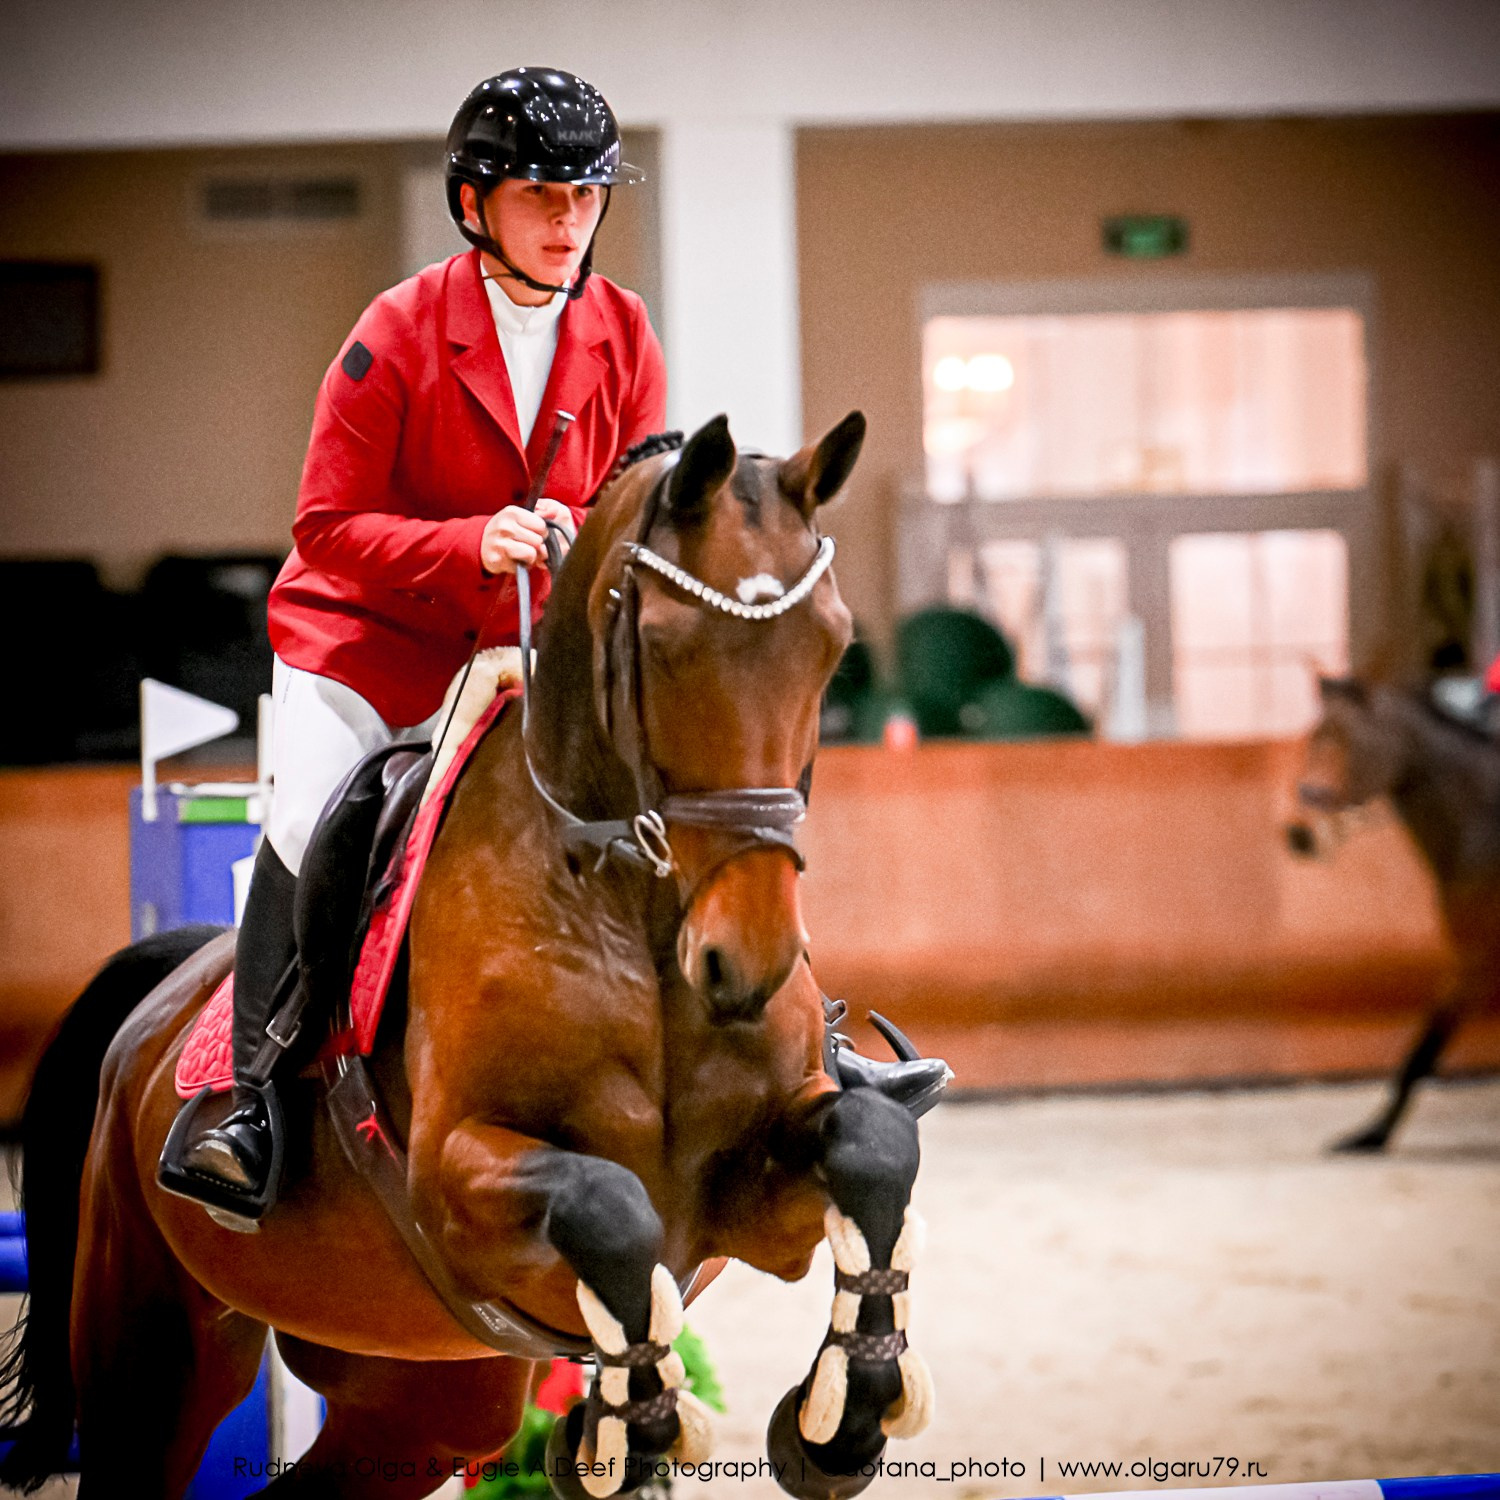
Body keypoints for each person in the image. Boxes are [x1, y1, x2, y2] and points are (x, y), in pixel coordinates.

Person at [170, 67, 944, 1223]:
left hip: (527, 657)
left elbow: (635, 507)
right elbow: (325, 532)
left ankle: (810, 1048)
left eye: (586, 198)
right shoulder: (395, 335)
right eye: (543, 196)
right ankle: (255, 1093)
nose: (570, 221)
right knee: (306, 816)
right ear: (474, 203)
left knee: (695, 799)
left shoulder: (620, 330)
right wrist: (472, 542)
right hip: (372, 651)